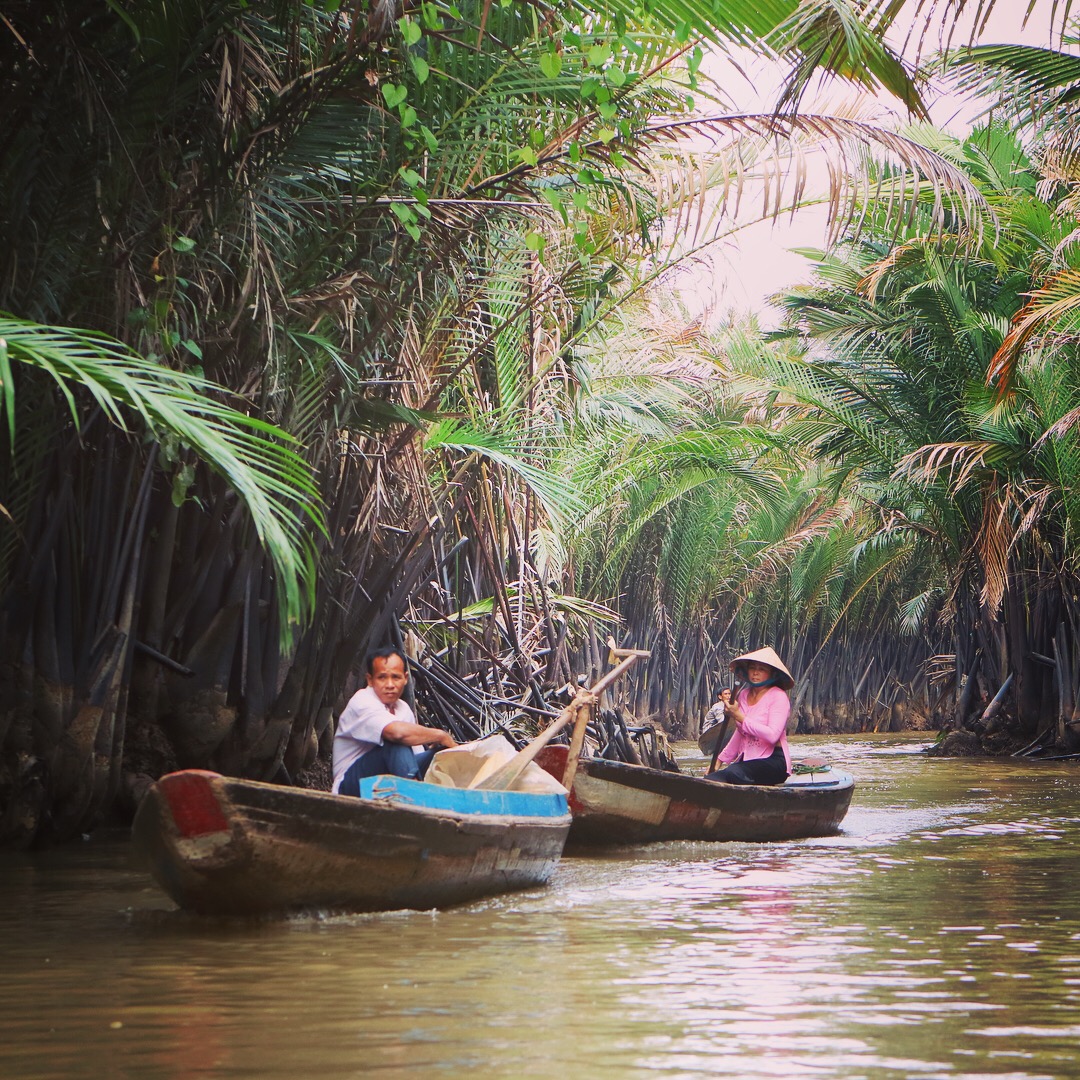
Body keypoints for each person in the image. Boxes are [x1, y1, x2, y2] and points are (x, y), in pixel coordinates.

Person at [332, 646, 457, 796]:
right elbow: (396, 733)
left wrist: (447, 750)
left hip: (391, 780)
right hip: (351, 785)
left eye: (396, 677)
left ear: (405, 678)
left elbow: (412, 760)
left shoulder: (403, 709)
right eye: (382, 677)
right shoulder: (362, 700)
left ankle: (444, 796)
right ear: (370, 680)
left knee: (440, 755)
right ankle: (415, 798)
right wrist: (440, 735)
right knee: (396, 741)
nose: (390, 685)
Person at [706, 646, 793, 786]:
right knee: (711, 779)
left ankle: (755, 795)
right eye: (752, 668)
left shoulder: (778, 696)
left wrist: (739, 716)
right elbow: (741, 733)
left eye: (762, 669)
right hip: (747, 761)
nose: (755, 673)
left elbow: (772, 735)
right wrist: (719, 760)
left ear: (772, 674)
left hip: (774, 760)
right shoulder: (744, 694)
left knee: (734, 772)